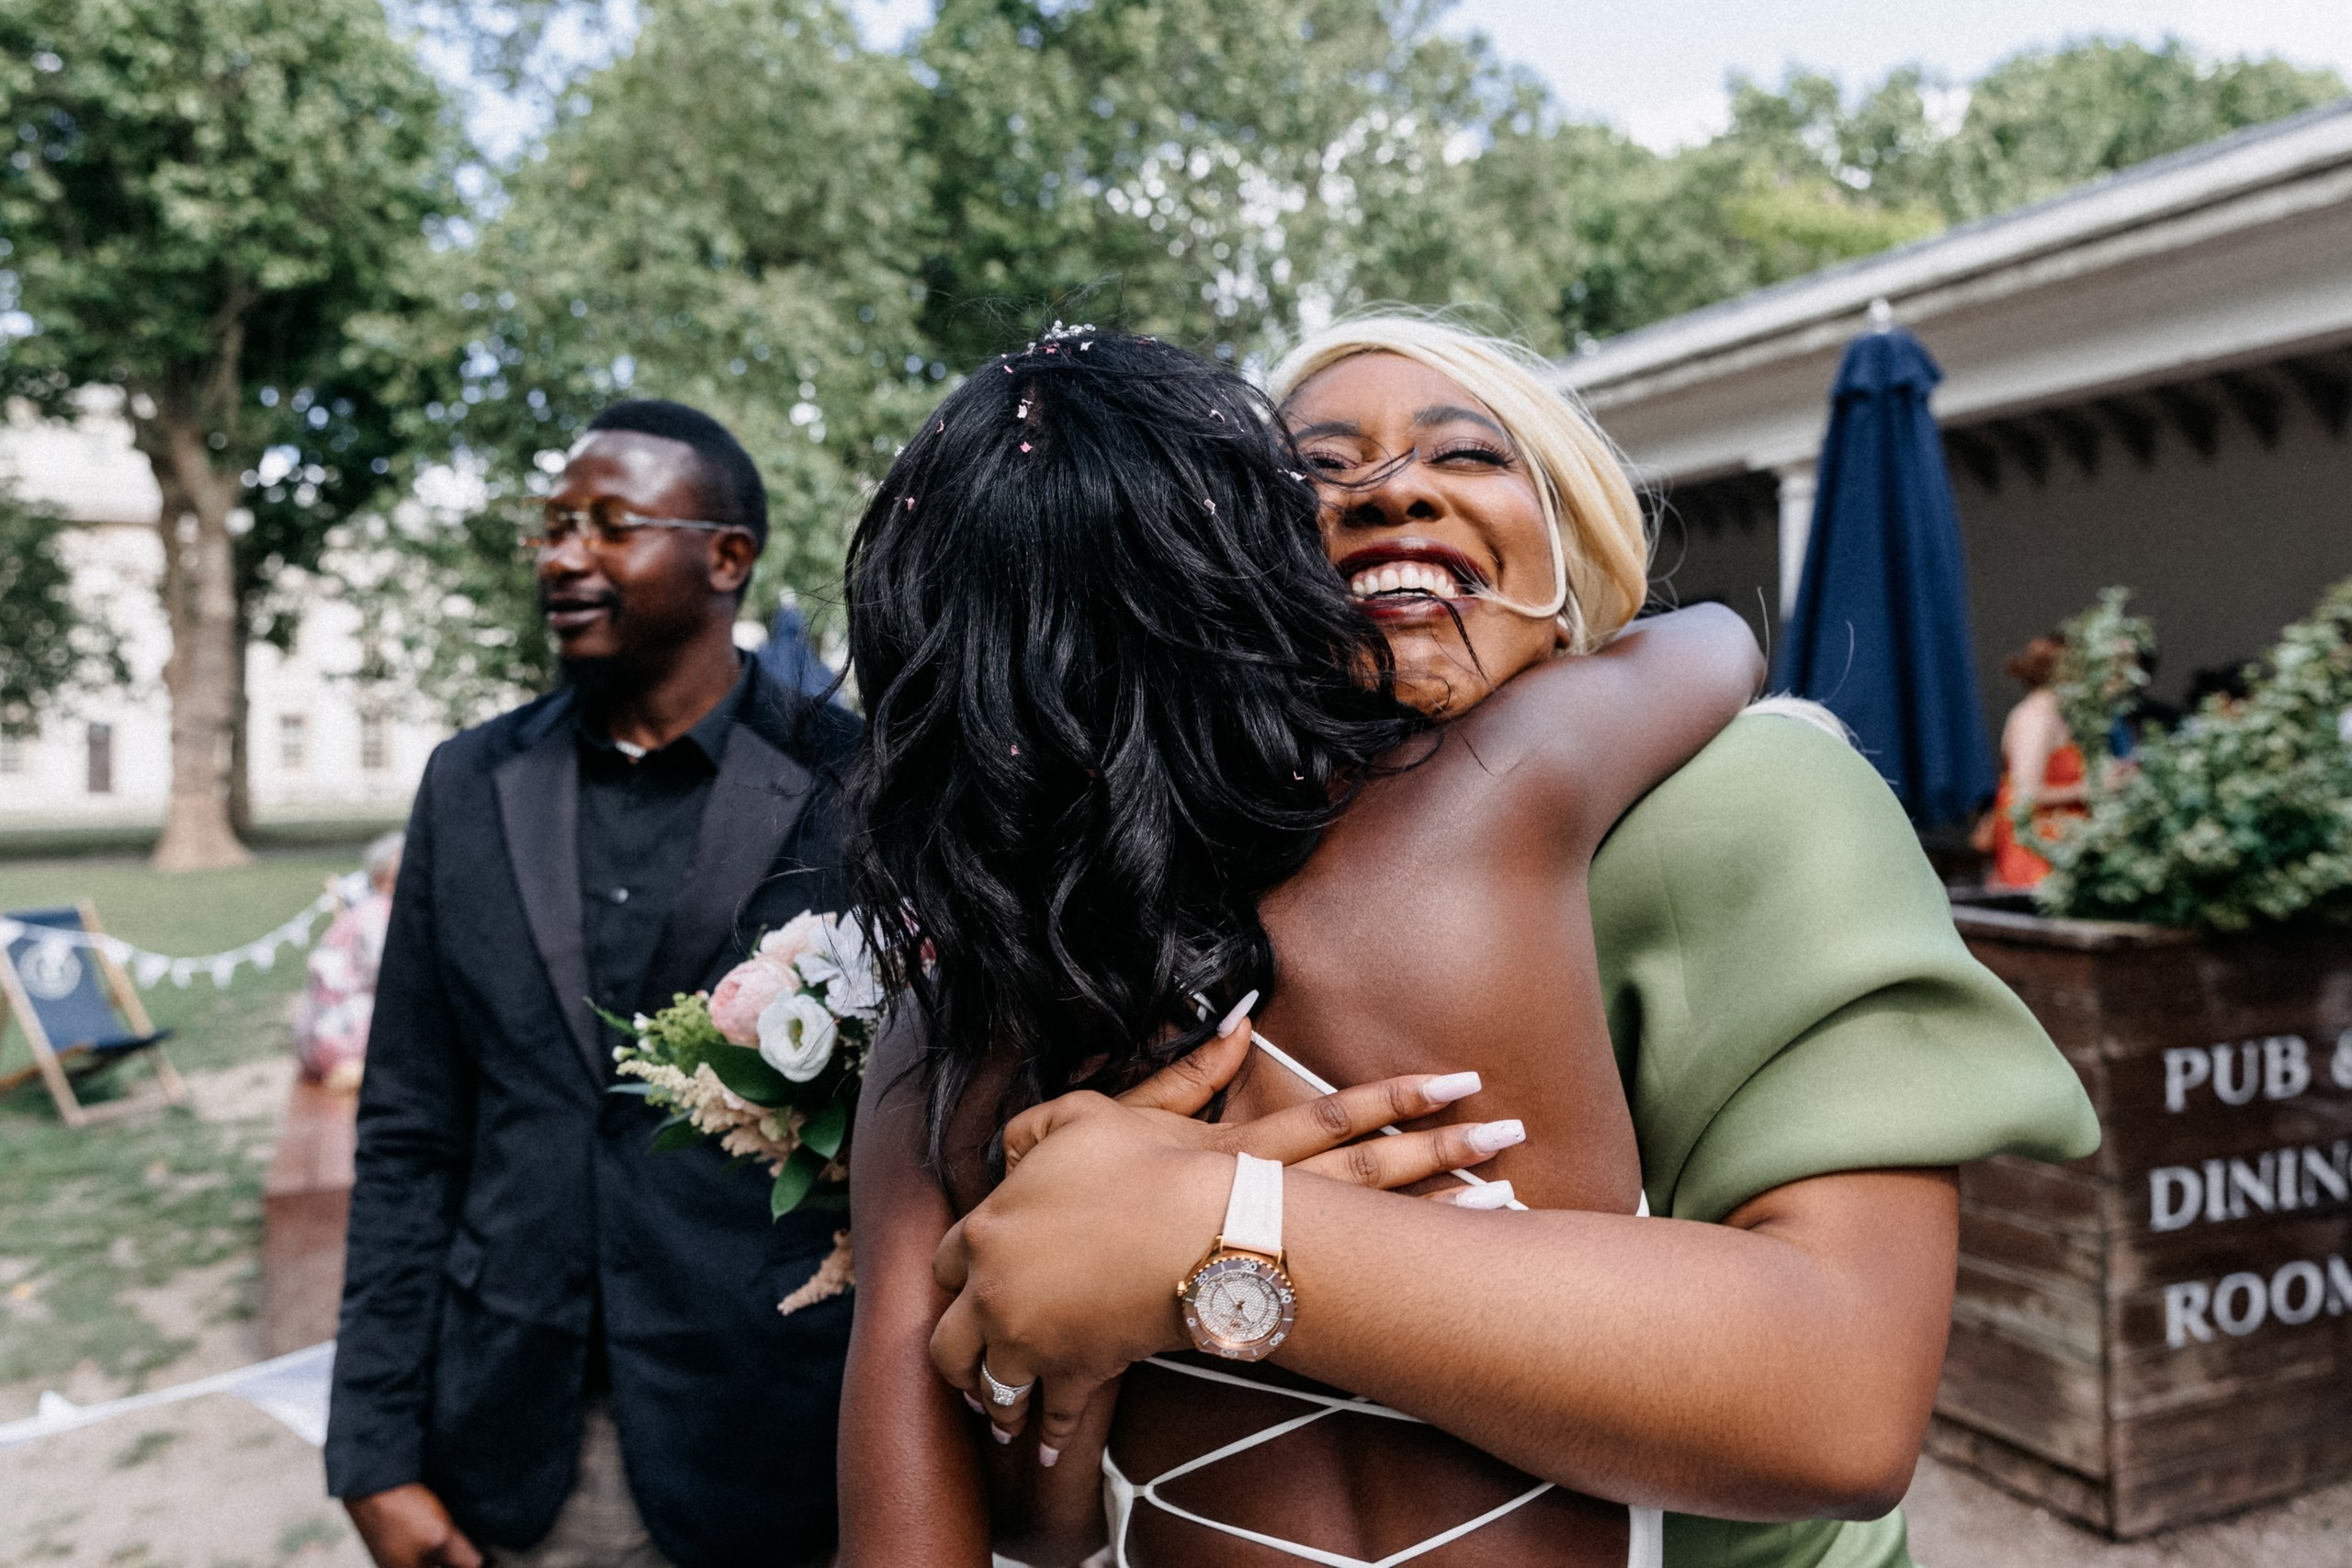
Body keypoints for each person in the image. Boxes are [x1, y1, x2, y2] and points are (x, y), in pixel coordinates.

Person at [897, 317, 2101, 1568]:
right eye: (1318, 469)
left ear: (1567, 539)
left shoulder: (1749, 795)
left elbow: (1842, 1400)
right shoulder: (1152, 876)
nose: (1393, 487)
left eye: (1463, 453)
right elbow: (1037, 1474)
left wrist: (1214, 1225)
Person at [834, 326, 1781, 1567]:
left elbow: (952, 1539)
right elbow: (1714, 637)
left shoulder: (935, 1050)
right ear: (1254, 591)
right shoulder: (1485, 803)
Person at [326, 400, 860, 1568]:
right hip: (509, 1442)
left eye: (612, 524)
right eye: (555, 524)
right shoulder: (467, 783)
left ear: (728, 556)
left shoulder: (852, 784)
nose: (564, 555)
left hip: (773, 1445)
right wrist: (370, 1450)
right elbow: (409, 1128)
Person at [295, 830, 403, 1093]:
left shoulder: (366, 909)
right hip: (340, 1040)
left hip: (315, 1039)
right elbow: (390, 976)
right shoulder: (379, 915)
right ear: (386, 876)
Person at [1985, 633, 2086, 890]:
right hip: (2035, 850)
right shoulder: (2036, 718)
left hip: (2057, 849)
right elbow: (2026, 793)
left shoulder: (2054, 716)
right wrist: (2089, 790)